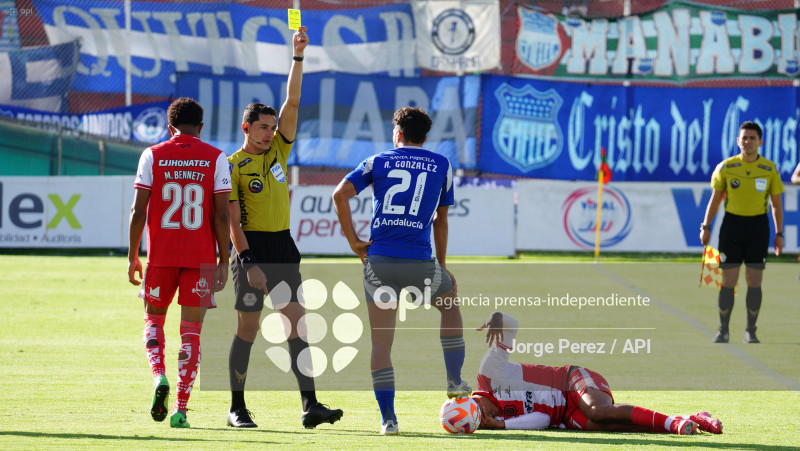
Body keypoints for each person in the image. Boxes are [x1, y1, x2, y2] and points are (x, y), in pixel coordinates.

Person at [225, 26, 343, 430]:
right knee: (248, 328)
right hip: (251, 250)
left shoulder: (279, 148)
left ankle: (310, 405)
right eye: (263, 127)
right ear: (246, 128)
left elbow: (293, 99)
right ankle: (237, 408)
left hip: (283, 247)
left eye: (273, 126)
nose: (270, 132)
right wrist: (249, 261)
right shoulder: (232, 166)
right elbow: (231, 221)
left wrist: (298, 56)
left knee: (296, 324)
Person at [332, 106, 469, 435]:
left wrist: (354, 242)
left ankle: (388, 420)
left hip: (378, 261)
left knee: (381, 344)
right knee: (448, 304)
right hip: (419, 262)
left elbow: (340, 194)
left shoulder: (378, 161)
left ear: (397, 134)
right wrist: (444, 267)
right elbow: (442, 220)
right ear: (425, 136)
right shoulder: (441, 164)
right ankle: (454, 379)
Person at [128, 97, 231, 428]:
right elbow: (221, 215)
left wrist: (132, 256)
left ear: (169, 126)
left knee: (153, 322)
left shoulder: (152, 155)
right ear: (200, 127)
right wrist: (223, 258)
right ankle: (181, 409)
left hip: (161, 257)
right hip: (199, 257)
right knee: (192, 332)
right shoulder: (215, 158)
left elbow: (138, 211)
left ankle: (159, 376)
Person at [471, 312, 723, 435]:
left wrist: (499, 318)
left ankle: (674, 423)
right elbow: (543, 420)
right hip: (564, 416)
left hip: (569, 380)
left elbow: (512, 327)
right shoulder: (494, 421)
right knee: (610, 426)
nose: (486, 418)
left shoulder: (489, 372)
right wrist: (502, 425)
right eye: (481, 422)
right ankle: (690, 419)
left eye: (481, 413)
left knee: (598, 411)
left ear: (473, 398)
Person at [700, 121, 784, 344]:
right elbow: (715, 200)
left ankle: (750, 330)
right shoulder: (726, 167)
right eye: (744, 138)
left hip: (758, 227)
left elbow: (776, 204)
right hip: (732, 226)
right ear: (738, 141)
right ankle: (723, 329)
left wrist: (779, 233)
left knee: (754, 280)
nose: (748, 142)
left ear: (760, 142)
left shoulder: (769, 169)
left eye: (752, 138)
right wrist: (706, 226)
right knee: (729, 280)